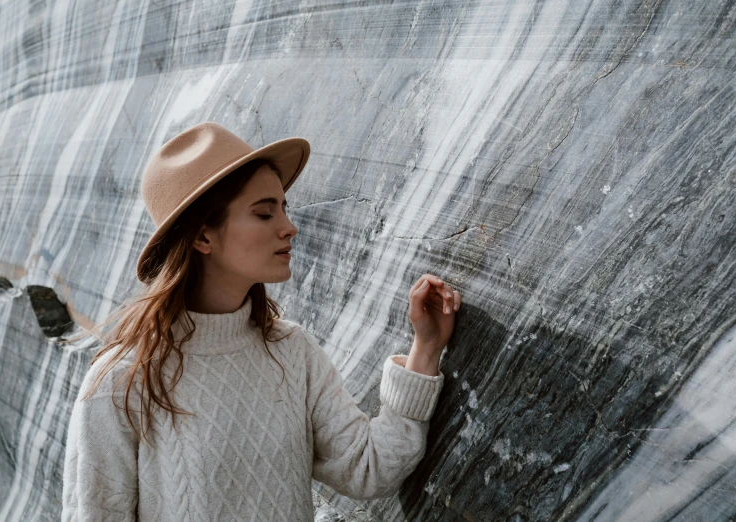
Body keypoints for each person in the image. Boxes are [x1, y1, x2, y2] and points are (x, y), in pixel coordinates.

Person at [60, 122, 462, 521]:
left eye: (284, 208)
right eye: (264, 213)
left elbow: (369, 469)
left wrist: (425, 348)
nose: (289, 227)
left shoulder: (292, 352)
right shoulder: (121, 381)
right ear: (202, 238)